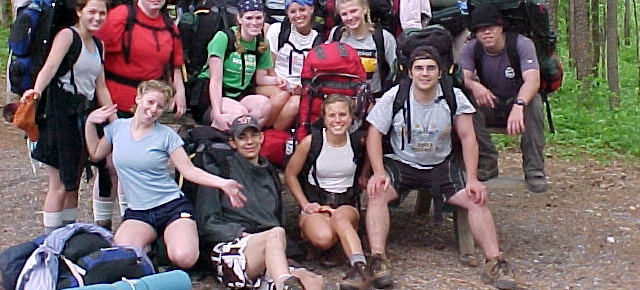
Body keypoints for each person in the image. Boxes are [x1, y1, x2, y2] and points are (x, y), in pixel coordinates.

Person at [364, 46, 517, 290]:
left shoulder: (452, 96)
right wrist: (379, 172)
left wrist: (473, 179)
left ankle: (495, 261)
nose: (425, 73)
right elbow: (374, 133)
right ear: (410, 72)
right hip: (402, 162)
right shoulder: (395, 96)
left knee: (476, 199)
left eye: (430, 68)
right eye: (419, 68)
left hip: (440, 165)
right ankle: (378, 260)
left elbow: (468, 137)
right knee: (376, 194)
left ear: (440, 72)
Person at [84, 80, 246, 269]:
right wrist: (89, 123)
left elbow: (189, 170)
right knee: (124, 256)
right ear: (138, 98)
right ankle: (154, 243)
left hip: (171, 206)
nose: (153, 109)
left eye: (160, 107)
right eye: (150, 102)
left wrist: (222, 183)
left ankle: (168, 240)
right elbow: (96, 153)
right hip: (139, 211)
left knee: (184, 258)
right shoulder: (117, 128)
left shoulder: (166, 135)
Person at [92, 0, 186, 230]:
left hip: (148, 103)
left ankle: (131, 220)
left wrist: (179, 91)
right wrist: (105, 104)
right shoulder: (122, 16)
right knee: (110, 165)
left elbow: (175, 63)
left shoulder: (168, 24)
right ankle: (102, 224)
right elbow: (96, 55)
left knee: (135, 165)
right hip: (114, 99)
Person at [194, 115, 324, 290]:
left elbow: (277, 220)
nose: (249, 142)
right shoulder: (219, 169)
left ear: (261, 137)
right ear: (232, 143)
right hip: (233, 249)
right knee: (275, 234)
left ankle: (284, 282)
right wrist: (241, 233)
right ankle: (284, 284)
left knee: (314, 282)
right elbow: (207, 223)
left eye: (253, 135)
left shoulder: (269, 172)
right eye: (242, 137)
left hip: (272, 250)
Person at [21, 0, 113, 234]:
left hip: (82, 116)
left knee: (72, 182)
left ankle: (68, 235)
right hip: (58, 114)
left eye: (102, 13)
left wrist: (114, 121)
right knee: (59, 182)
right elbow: (50, 67)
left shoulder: (98, 45)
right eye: (91, 12)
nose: (97, 17)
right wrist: (36, 92)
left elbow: (100, 85)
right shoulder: (67, 36)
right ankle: (50, 240)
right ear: (79, 12)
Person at [285, 95, 370, 290]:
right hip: (317, 204)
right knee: (324, 238)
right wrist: (305, 204)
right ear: (324, 118)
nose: (337, 120)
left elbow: (372, 152)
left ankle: (360, 268)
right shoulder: (312, 142)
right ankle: (335, 242)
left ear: (351, 118)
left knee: (340, 217)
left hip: (345, 204)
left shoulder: (357, 141)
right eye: (332, 115)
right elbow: (290, 174)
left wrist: (365, 174)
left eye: (343, 115)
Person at [459, 3, 547, 193]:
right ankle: (486, 162)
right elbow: (462, 77)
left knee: (534, 103)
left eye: (491, 27)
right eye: (480, 29)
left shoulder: (521, 44)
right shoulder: (472, 48)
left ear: (501, 28)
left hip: (517, 102)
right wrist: (475, 86)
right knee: (465, 101)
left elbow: (533, 80)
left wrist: (519, 105)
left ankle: (534, 170)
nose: (486, 33)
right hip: (490, 103)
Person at [192, 0, 284, 131]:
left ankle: (247, 137)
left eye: (258, 18)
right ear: (239, 19)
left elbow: (260, 78)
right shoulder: (223, 38)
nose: (254, 23)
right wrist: (217, 114)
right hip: (212, 96)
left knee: (264, 105)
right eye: (249, 18)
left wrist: (277, 80)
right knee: (239, 113)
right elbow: (215, 80)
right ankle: (227, 135)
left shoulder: (261, 43)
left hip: (239, 94)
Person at [262, 0, 321, 131]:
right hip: (275, 83)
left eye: (302, 10)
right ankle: (260, 130)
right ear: (287, 13)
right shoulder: (278, 31)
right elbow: (269, 65)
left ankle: (274, 133)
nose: (298, 15)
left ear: (311, 9)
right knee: (281, 96)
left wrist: (301, 88)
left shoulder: (319, 40)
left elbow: (316, 75)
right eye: (293, 11)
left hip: (299, 88)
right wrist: (280, 82)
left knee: (295, 104)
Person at [330, 0, 397, 97]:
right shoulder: (336, 34)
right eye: (344, 14)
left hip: (374, 97)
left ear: (365, 9)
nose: (349, 17)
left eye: (353, 11)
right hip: (342, 98)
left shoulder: (383, 37)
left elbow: (395, 72)